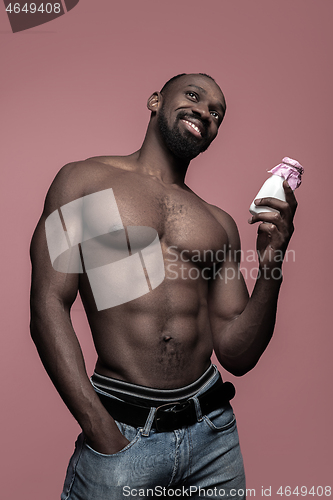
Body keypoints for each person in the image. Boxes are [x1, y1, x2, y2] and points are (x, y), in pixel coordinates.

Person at [30, 73, 297, 499]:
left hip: (214, 439)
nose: (205, 114)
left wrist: (273, 262)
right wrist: (98, 428)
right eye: (193, 96)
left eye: (216, 114)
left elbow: (237, 352)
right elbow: (48, 304)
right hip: (119, 436)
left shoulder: (217, 224)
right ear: (155, 100)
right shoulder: (85, 183)